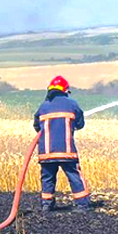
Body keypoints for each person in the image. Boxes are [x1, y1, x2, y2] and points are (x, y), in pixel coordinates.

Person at [33, 75, 90, 212]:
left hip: (46, 152)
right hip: (66, 151)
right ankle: (82, 205)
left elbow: (36, 126)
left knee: (47, 178)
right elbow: (80, 124)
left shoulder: (43, 106)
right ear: (65, 90)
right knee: (74, 176)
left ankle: (47, 205)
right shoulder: (72, 104)